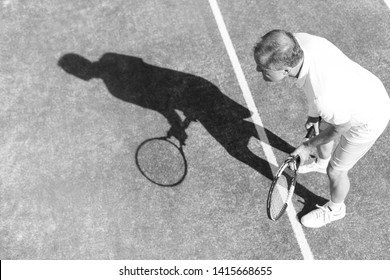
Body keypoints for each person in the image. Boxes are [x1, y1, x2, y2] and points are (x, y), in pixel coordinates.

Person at [253, 30, 390, 228]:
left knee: (336, 171)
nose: (258, 70)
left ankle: (336, 209)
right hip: (358, 90)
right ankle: (321, 162)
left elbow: (341, 126)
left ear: (285, 69)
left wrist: (308, 147)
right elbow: (320, 96)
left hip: (369, 117)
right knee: (319, 125)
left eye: (263, 68)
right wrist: (314, 114)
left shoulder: (324, 96)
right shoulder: (299, 43)